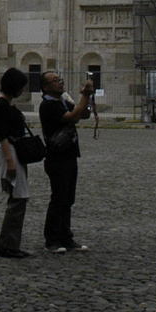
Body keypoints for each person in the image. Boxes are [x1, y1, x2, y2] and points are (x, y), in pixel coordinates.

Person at [38, 70, 96, 254]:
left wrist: (86, 99)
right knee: (59, 198)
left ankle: (66, 236)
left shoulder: (63, 100)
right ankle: (52, 238)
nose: (60, 83)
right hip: (57, 156)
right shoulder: (48, 105)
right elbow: (72, 117)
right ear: (46, 87)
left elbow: (83, 115)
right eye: (55, 81)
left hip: (69, 154)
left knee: (68, 199)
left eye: (60, 79)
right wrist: (85, 95)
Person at [0, 67, 34, 259]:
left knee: (19, 198)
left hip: (16, 151)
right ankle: (7, 245)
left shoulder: (6, 103)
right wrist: (10, 161)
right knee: (18, 197)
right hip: (11, 152)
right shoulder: (0, 105)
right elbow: (3, 135)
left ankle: (10, 243)